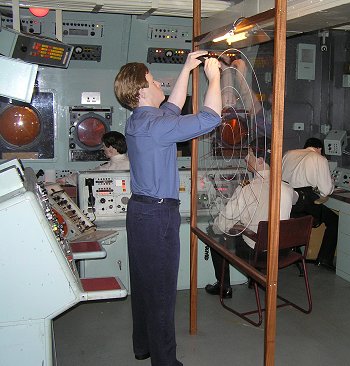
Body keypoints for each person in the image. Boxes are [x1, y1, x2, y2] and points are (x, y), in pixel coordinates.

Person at [113, 51, 222, 366]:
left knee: (145, 285)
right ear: (143, 88)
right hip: (158, 217)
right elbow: (210, 118)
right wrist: (214, 78)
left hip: (140, 213)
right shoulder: (155, 127)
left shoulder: (141, 119)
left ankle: (143, 345)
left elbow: (173, 106)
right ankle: (165, 362)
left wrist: (188, 69)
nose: (160, 81)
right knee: (161, 294)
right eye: (152, 77)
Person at [205, 136, 296, 298]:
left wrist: (219, 226)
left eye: (250, 154)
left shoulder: (247, 190)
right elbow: (291, 201)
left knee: (214, 234)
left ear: (260, 161)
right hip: (282, 251)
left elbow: (223, 223)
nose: (246, 158)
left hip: (256, 253)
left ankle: (223, 286)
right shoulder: (287, 188)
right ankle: (255, 279)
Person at [282, 137, 338, 271]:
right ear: (319, 149)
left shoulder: (289, 153)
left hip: (285, 200)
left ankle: (294, 248)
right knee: (334, 220)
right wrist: (332, 184)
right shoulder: (319, 158)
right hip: (304, 201)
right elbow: (326, 190)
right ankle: (324, 259)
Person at [56, 130, 130, 185]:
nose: (102, 149)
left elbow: (84, 177)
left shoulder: (106, 168)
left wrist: (65, 179)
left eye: (104, 146)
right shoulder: (133, 164)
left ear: (110, 148)